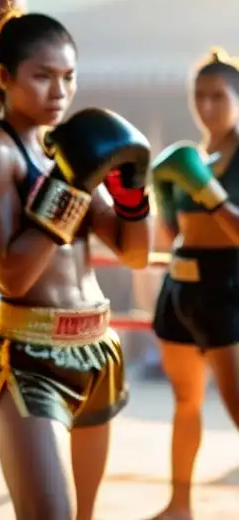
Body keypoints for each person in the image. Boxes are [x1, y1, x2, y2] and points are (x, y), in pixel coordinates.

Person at [0, 8, 153, 520]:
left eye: (68, 77)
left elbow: (134, 254)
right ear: (4, 77)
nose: (58, 91)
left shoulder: (64, 152)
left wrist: (134, 191)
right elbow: (11, 274)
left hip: (96, 348)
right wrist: (68, 187)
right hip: (30, 355)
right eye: (41, 76)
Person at [150, 48, 239, 520]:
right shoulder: (192, 157)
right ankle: (180, 504)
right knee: (186, 401)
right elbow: (171, 235)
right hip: (181, 286)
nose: (207, 106)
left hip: (228, 288)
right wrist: (160, 197)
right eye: (199, 96)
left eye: (219, 96)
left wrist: (208, 191)